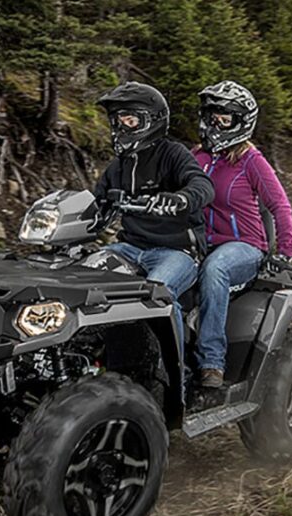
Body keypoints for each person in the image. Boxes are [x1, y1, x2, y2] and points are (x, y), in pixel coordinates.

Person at [93, 81, 215, 361]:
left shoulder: (173, 154)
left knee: (156, 293)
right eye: (118, 120)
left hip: (177, 251)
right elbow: (95, 203)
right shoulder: (119, 165)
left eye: (130, 120)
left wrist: (181, 199)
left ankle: (175, 372)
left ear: (152, 121)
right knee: (87, 281)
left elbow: (202, 185)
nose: (122, 127)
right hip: (129, 248)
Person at [192, 81, 292, 389]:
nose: (215, 124)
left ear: (241, 122)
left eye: (225, 118)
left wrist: (284, 251)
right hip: (199, 242)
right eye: (212, 116)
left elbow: (280, 205)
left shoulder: (252, 161)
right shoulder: (198, 156)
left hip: (244, 247)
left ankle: (212, 362)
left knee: (215, 270)